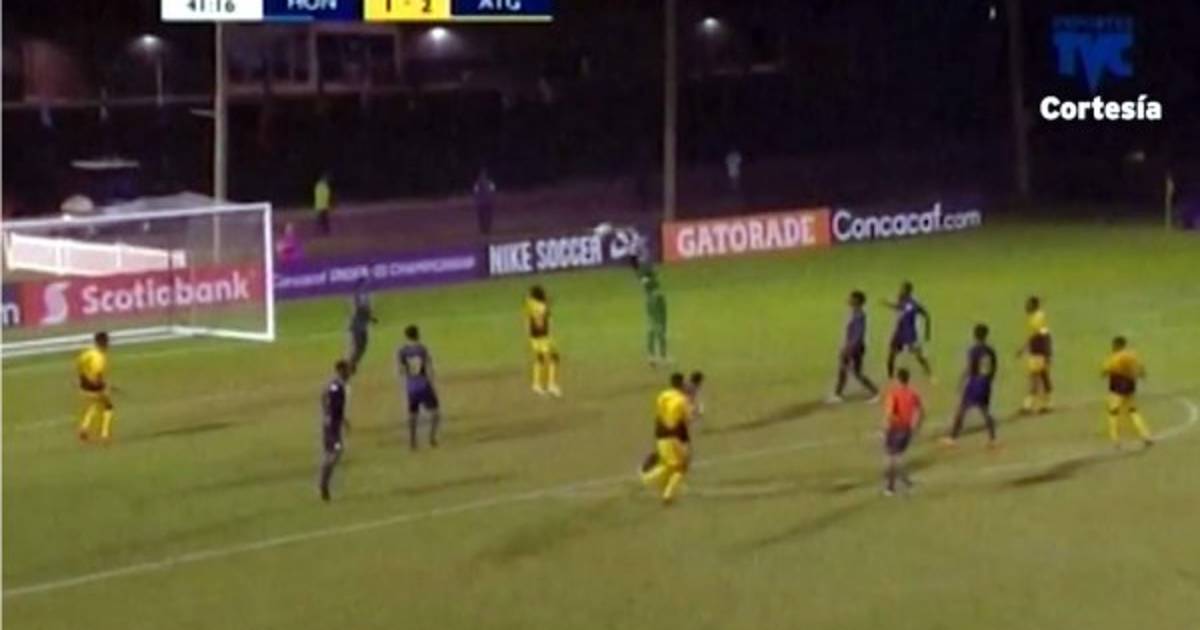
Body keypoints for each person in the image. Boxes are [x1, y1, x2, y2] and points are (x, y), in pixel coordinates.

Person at [640, 372, 694, 505]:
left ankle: (657, 485)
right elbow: (687, 419)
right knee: (680, 467)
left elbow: (659, 413)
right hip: (673, 436)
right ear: (681, 384)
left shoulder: (663, 395)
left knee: (669, 465)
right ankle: (661, 489)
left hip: (660, 433)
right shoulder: (682, 400)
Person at [942, 324, 999, 448]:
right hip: (985, 383)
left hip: (975, 383)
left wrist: (961, 380)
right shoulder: (990, 350)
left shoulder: (974, 350)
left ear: (975, 335)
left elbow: (970, 368)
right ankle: (993, 439)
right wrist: (989, 380)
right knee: (985, 410)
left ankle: (952, 438)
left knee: (962, 410)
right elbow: (994, 367)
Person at [640, 370, 704, 474]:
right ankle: (666, 468)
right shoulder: (691, 390)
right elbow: (686, 406)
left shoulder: (683, 388)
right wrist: (697, 412)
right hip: (676, 423)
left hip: (666, 421)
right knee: (679, 449)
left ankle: (650, 463)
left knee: (665, 447)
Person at [828, 290, 880, 403]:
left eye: (851, 298)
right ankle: (838, 394)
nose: (849, 300)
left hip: (854, 347)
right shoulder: (856, 313)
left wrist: (849, 348)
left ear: (857, 300)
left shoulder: (859, 315)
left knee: (849, 370)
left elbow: (858, 334)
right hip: (854, 346)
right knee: (851, 371)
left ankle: (838, 394)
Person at [1101, 336, 1153, 449]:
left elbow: (1105, 370)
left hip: (1117, 388)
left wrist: (1103, 373)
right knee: (1133, 411)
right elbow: (1141, 368)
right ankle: (1145, 435)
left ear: (1117, 345)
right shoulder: (1132, 355)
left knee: (1113, 412)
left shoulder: (1115, 357)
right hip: (1130, 386)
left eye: (1113, 345)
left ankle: (1115, 440)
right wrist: (1142, 375)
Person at [397, 325, 442, 450]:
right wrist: (431, 380)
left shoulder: (402, 351)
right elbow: (429, 366)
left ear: (406, 336)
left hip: (411, 386)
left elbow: (401, 370)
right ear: (417, 334)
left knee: (412, 414)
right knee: (435, 413)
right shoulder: (422, 349)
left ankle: (412, 441)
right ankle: (432, 438)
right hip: (423, 384)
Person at [881, 368, 923, 496]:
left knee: (892, 457)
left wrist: (886, 426)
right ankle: (905, 480)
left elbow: (889, 413)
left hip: (895, 428)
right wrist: (915, 426)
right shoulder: (913, 394)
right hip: (906, 429)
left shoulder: (894, 394)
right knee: (898, 456)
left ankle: (890, 487)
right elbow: (920, 411)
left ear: (898, 379)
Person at [883, 281, 933, 379]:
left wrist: (927, 332)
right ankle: (890, 377)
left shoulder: (912, 303)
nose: (900, 291)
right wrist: (888, 304)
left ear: (908, 291)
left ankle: (930, 374)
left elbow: (923, 314)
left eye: (902, 289)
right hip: (899, 332)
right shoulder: (902, 300)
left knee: (918, 355)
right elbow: (899, 307)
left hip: (909, 333)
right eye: (900, 288)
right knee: (891, 355)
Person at [319, 360, 352, 502]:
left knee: (331, 453)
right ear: (340, 371)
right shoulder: (335, 386)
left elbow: (325, 398)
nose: (349, 373)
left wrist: (343, 420)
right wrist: (329, 415)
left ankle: (324, 483)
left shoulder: (337, 385)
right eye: (347, 370)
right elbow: (327, 399)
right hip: (331, 426)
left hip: (333, 424)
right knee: (336, 452)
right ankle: (323, 483)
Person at [76, 331, 116, 443]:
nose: (108, 344)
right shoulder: (100, 358)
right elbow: (97, 377)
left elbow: (79, 363)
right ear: (103, 343)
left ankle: (84, 428)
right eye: (107, 342)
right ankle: (104, 434)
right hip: (93, 386)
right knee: (108, 407)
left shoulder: (88, 353)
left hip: (83, 384)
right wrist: (105, 385)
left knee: (95, 404)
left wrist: (81, 377)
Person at [1016, 296, 1053, 414]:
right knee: (1042, 376)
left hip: (1039, 352)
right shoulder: (1035, 317)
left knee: (1036, 377)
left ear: (1034, 306)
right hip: (1037, 351)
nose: (1026, 307)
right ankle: (1044, 404)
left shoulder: (1037, 318)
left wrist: (1022, 349)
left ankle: (1029, 405)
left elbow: (1036, 336)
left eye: (1028, 304)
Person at [524, 285, 562, 397]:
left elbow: (528, 318)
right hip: (543, 336)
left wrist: (528, 334)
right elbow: (542, 321)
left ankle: (536, 385)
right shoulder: (542, 307)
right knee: (554, 357)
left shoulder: (529, 303)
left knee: (539, 358)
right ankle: (551, 385)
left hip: (533, 336)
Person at [635, 259, 669, 365]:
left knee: (651, 327)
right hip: (656, 300)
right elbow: (651, 285)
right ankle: (662, 356)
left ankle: (652, 356)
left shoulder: (644, 278)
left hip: (650, 300)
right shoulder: (649, 278)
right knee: (660, 327)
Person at [346, 278, 378, 375]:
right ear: (360, 285)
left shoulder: (366, 296)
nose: (366, 286)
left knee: (363, 347)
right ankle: (350, 366)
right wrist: (369, 315)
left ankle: (352, 364)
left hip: (363, 325)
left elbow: (365, 309)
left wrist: (371, 318)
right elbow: (358, 309)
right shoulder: (357, 296)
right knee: (357, 347)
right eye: (364, 284)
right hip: (357, 325)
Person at [473, 169, 496, 236]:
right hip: (485, 202)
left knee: (486, 216)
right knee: (484, 216)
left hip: (485, 202)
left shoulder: (479, 183)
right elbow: (493, 191)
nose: (483, 176)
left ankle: (485, 229)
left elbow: (476, 193)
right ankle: (484, 229)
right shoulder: (487, 183)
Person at [313, 172, 333, 236]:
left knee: (323, 219)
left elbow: (326, 196)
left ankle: (323, 230)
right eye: (326, 179)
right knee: (323, 219)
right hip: (322, 205)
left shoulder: (320, 186)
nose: (327, 180)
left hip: (321, 205)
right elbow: (325, 196)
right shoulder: (323, 186)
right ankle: (324, 231)